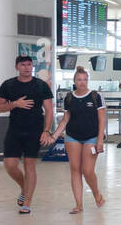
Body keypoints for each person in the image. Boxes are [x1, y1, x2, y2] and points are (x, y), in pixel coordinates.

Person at [0, 55, 54, 213]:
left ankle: (27, 203)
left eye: (29, 65)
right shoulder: (8, 85)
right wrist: (15, 104)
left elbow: (49, 110)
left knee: (30, 166)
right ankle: (24, 188)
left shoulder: (41, 85)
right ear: (17, 67)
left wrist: (46, 131)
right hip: (14, 130)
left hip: (34, 131)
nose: (26, 68)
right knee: (10, 165)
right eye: (23, 65)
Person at [45, 66, 106, 214]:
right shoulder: (69, 98)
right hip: (72, 136)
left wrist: (99, 140)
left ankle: (96, 193)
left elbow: (102, 119)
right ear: (74, 81)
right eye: (79, 80)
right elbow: (65, 120)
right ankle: (78, 204)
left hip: (91, 137)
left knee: (87, 170)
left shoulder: (96, 97)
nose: (82, 82)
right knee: (75, 169)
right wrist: (53, 136)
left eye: (85, 79)